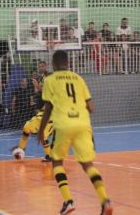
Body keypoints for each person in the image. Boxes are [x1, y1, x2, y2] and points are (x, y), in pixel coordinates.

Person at [37, 50, 112, 215]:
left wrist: (41, 130)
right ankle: (104, 200)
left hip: (63, 124)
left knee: (56, 161)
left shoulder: (49, 80)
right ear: (68, 63)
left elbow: (48, 108)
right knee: (88, 165)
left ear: (53, 64)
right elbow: (91, 107)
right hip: (83, 125)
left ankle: (68, 201)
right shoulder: (78, 78)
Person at [12, 61, 54, 162]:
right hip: (41, 114)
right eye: (39, 66)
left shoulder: (51, 82)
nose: (40, 68)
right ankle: (21, 149)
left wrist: (37, 88)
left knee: (43, 135)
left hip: (52, 117)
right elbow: (40, 95)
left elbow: (44, 91)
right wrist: (37, 89)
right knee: (26, 127)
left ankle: (49, 156)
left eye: (42, 66)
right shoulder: (41, 80)